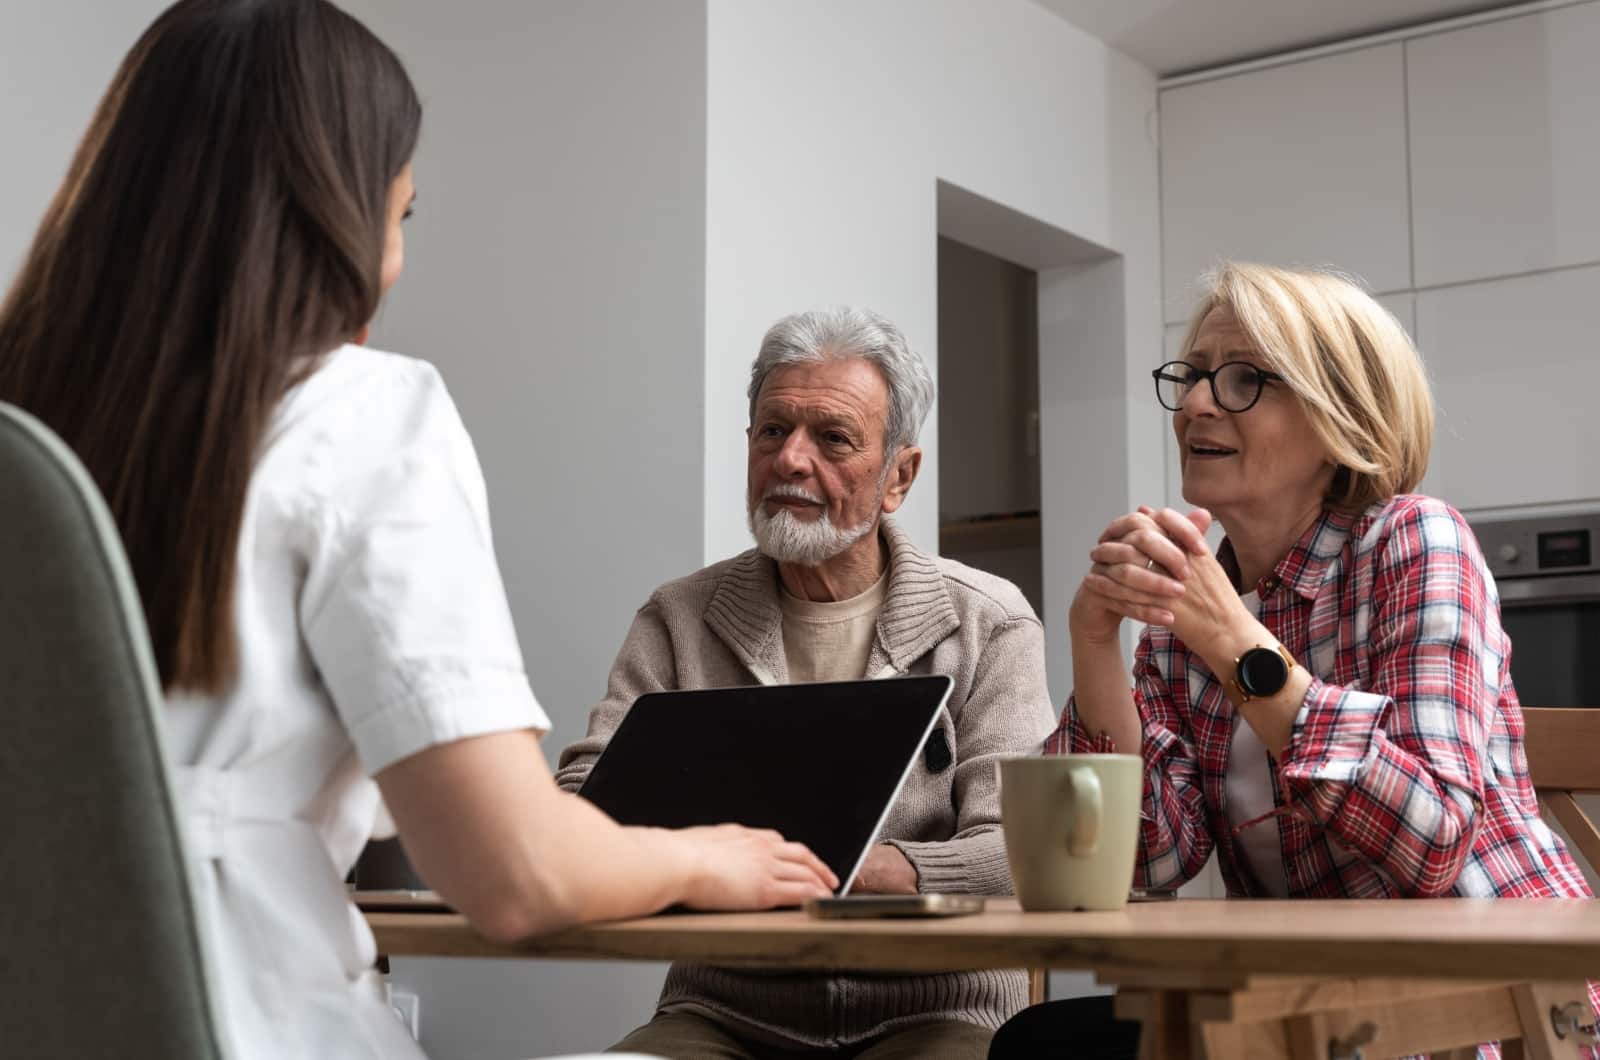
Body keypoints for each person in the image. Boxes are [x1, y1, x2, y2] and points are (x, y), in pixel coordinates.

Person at [0, 3, 835, 1058]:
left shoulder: (27, 432)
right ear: (329, 216)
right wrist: (702, 859)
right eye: (398, 217)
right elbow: (514, 872)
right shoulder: (360, 413)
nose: (390, 263)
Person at [989, 262, 1597, 1058]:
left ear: (1338, 416)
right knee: (1043, 1044)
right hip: (1309, 1004)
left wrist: (1235, 642)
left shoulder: (1412, 542)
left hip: (1492, 1010)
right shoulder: (1186, 616)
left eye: (1245, 379)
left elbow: (1434, 839)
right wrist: (1095, 644)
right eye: (1196, 375)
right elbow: (1149, 860)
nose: (1200, 402)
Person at [554, 307, 1057, 1059]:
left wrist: (854, 869)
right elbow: (578, 816)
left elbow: (1022, 852)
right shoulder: (679, 618)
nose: (790, 459)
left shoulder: (988, 621)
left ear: (900, 476)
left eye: (833, 439)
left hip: (939, 1015)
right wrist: (711, 864)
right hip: (722, 1012)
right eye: (771, 431)